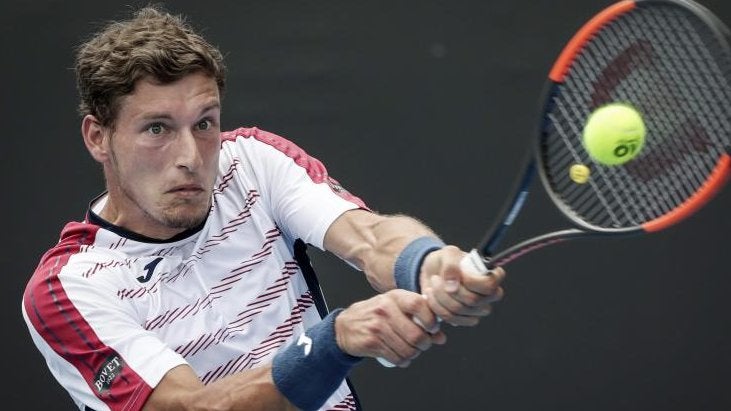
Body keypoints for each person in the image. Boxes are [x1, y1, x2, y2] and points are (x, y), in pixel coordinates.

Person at [21, 6, 505, 411]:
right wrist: (333, 341)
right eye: (157, 129)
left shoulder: (251, 162)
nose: (191, 157)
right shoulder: (67, 288)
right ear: (98, 137)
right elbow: (192, 407)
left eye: (205, 123)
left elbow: (371, 239)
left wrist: (424, 263)